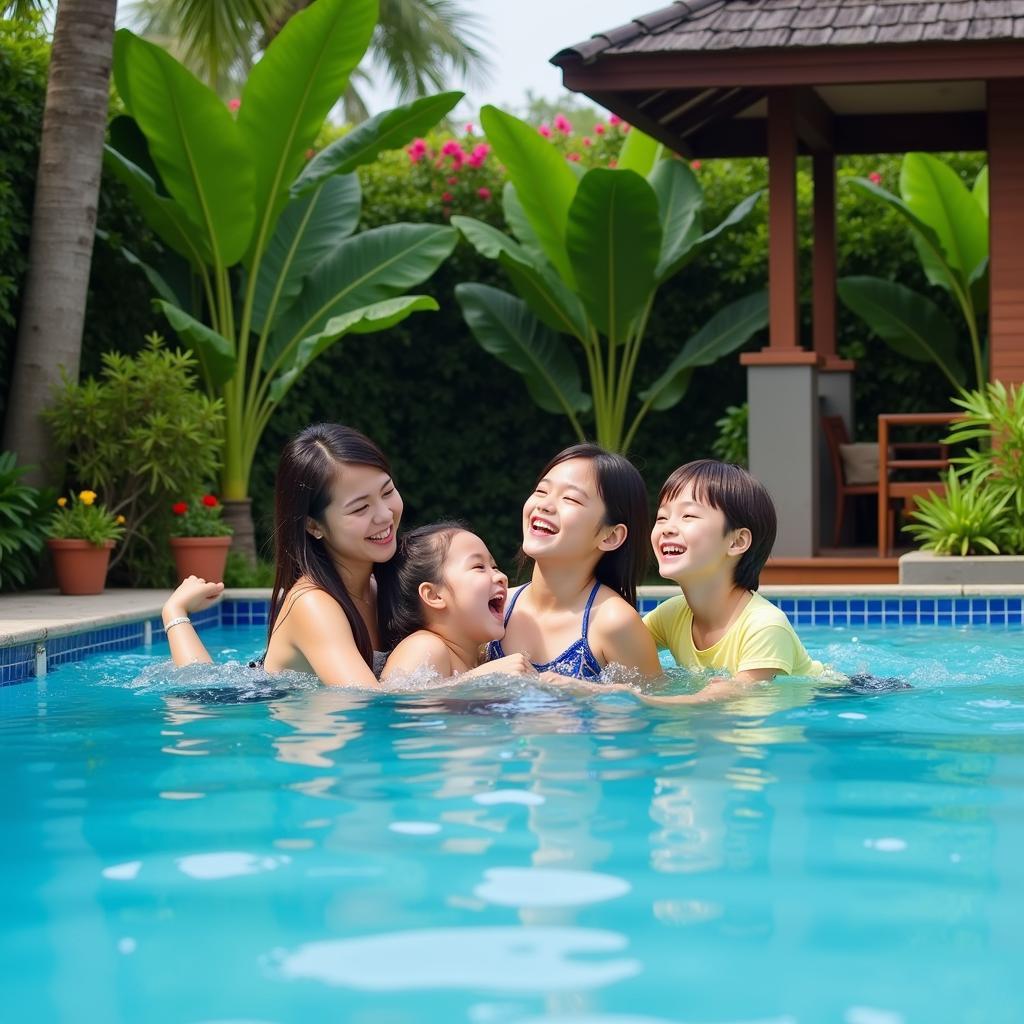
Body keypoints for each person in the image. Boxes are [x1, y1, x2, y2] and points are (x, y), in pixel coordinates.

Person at [163, 423, 403, 686]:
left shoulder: (381, 586)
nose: (384, 514)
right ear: (314, 525)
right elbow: (368, 703)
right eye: (360, 508)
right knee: (203, 686)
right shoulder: (312, 605)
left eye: (387, 491)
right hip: (245, 700)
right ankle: (175, 611)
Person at [642, 459, 824, 703]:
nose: (667, 528)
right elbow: (619, 648)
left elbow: (731, 699)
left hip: (836, 696)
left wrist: (633, 699)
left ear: (737, 542)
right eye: (662, 517)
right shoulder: (671, 616)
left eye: (688, 515)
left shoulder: (765, 626)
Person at [487, 443, 663, 680]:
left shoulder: (613, 623)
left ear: (610, 536)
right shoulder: (495, 607)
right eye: (541, 491)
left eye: (570, 499)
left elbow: (653, 708)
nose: (544, 505)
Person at [377, 522, 533, 681]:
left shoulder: (479, 658)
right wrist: (476, 678)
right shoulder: (425, 646)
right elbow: (399, 702)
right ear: (434, 595)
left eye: (494, 566)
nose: (502, 577)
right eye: (479, 566)